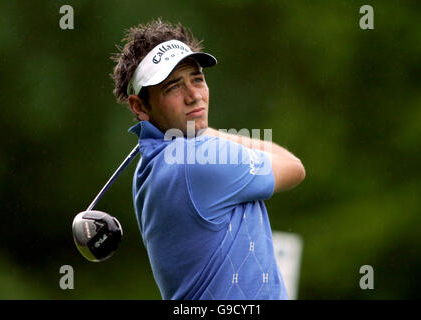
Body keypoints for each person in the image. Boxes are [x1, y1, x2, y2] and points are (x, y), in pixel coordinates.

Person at [111, 19, 305, 300]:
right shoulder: (198, 157)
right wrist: (213, 133)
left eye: (197, 79)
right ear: (140, 106)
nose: (193, 96)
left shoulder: (147, 167)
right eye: (173, 87)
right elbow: (294, 168)